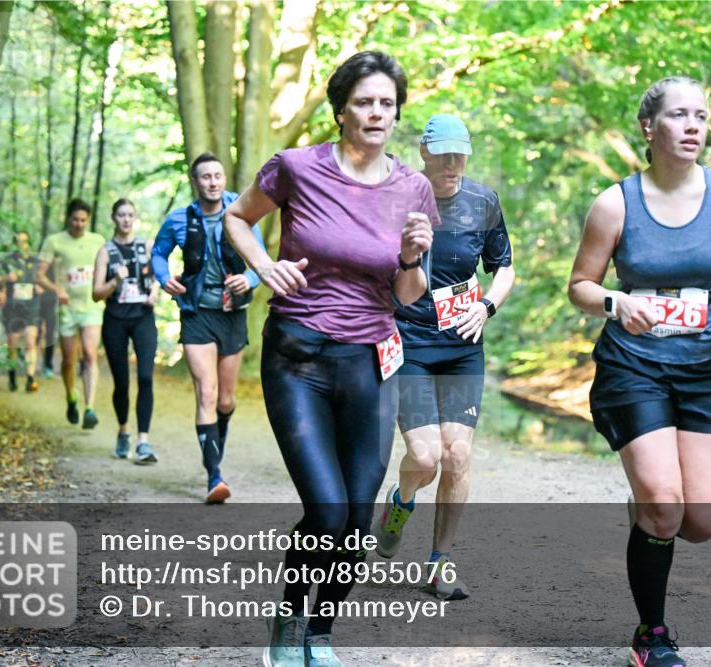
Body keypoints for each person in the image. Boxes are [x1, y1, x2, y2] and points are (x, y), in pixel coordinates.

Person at [222, 50, 437, 667]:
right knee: (327, 509)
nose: (377, 113)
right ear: (341, 110)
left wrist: (410, 258)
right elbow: (237, 217)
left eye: (388, 103)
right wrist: (264, 266)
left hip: (370, 360)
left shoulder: (414, 188)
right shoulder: (296, 167)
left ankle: (320, 632)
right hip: (299, 355)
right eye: (365, 102)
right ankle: (289, 623)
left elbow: (409, 295)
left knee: (358, 521)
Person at [567, 76, 711, 667]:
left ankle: (651, 506)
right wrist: (616, 302)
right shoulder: (615, 204)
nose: (693, 126)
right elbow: (580, 285)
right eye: (679, 115)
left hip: (709, 365)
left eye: (700, 115)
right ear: (649, 128)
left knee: (699, 522)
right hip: (634, 365)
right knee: (663, 506)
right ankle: (651, 636)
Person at [372, 114, 515, 601]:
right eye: (445, 154)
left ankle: (440, 562)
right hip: (409, 342)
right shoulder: (397, 198)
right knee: (425, 456)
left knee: (457, 454)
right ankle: (401, 501)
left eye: (461, 155)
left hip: (462, 346)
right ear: (424, 153)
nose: (454, 164)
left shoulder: (483, 201)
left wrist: (486, 305)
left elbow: (504, 268)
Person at [152, 153, 266, 502]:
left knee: (226, 401)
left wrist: (249, 279)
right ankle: (214, 476)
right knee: (206, 393)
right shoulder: (180, 219)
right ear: (195, 182)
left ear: (223, 178)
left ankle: (215, 450)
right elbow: (158, 253)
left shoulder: (241, 212)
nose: (213, 182)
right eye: (205, 177)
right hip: (196, 312)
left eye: (217, 175)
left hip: (232, 314)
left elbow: (260, 257)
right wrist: (164, 278)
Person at [92, 199, 160, 464]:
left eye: (130, 215)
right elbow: (96, 294)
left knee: (145, 377)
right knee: (121, 382)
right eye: (121, 215)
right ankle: (123, 431)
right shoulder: (105, 252)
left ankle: (143, 441)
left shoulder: (146, 246)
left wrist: (155, 292)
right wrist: (115, 281)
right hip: (115, 320)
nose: (126, 219)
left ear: (135, 218)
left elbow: (160, 275)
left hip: (143, 317)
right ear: (113, 217)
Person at [37, 199, 107, 429]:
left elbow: (108, 268)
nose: (79, 224)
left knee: (89, 354)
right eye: (75, 220)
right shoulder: (54, 242)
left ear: (88, 220)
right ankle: (71, 396)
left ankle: (90, 408)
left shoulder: (97, 241)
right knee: (68, 359)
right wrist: (57, 290)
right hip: (66, 309)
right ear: (68, 218)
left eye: (83, 220)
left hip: (92, 307)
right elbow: (39, 275)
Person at [2, 231, 42, 392]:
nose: (21, 245)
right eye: (18, 242)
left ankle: (30, 378)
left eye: (24, 242)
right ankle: (12, 376)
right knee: (12, 342)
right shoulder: (7, 261)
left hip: (31, 305)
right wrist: (5, 279)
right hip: (13, 306)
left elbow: (46, 280)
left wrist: (41, 286)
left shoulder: (36, 262)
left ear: (29, 244)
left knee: (30, 340)